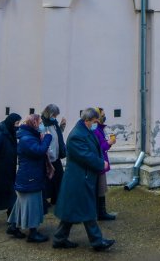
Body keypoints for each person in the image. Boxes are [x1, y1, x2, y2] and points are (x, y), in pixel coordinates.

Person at [52, 107, 115, 251]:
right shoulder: (76, 135)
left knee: (71, 211)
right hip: (79, 179)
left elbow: (96, 148)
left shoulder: (86, 131)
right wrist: (101, 163)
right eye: (94, 121)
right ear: (86, 120)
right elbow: (85, 155)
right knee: (87, 210)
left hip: (82, 177)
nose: (95, 124)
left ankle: (59, 239)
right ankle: (97, 242)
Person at [10, 113, 53, 243]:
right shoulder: (27, 138)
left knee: (21, 203)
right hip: (30, 176)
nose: (41, 125)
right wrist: (47, 138)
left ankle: (13, 226)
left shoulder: (27, 135)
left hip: (29, 175)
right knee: (32, 204)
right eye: (39, 122)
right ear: (33, 123)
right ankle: (33, 233)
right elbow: (39, 151)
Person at [39, 104, 67, 207]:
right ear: (49, 113)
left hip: (56, 155)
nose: (55, 117)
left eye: (56, 115)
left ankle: (57, 198)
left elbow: (57, 136)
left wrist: (62, 126)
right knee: (48, 179)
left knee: (59, 177)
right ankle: (45, 200)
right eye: (54, 115)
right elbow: (44, 139)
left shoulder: (54, 123)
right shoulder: (42, 124)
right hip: (47, 156)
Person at [92, 108, 117, 220]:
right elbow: (99, 148)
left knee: (100, 189)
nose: (104, 117)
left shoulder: (99, 129)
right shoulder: (96, 130)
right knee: (100, 190)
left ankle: (100, 212)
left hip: (101, 163)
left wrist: (109, 144)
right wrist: (109, 143)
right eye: (102, 115)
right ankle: (101, 213)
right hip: (99, 164)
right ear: (97, 118)